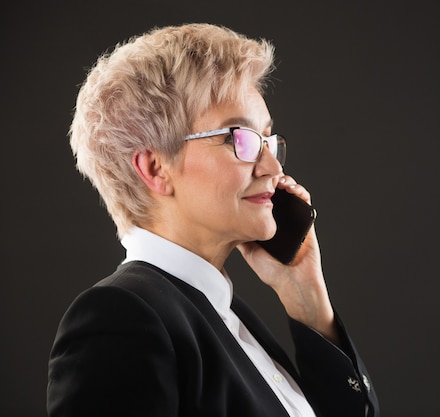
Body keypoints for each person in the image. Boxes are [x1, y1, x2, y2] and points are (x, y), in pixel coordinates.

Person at [47, 23, 380, 417]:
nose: (272, 166)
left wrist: (306, 296)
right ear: (155, 168)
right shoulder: (120, 320)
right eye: (240, 138)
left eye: (269, 139)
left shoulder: (229, 317)